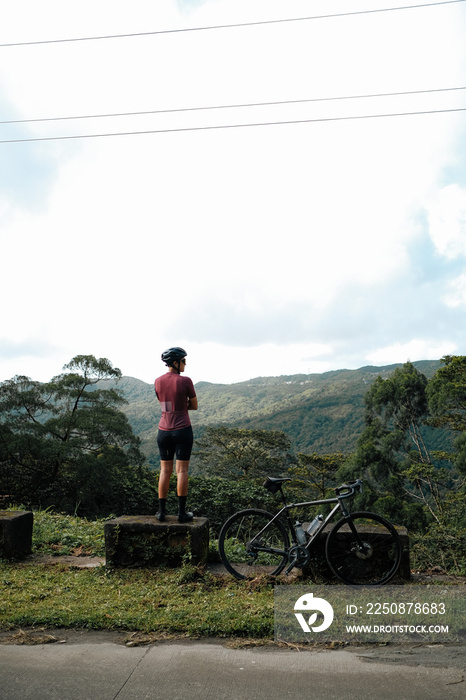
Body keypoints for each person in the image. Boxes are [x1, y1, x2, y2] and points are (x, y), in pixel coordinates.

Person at [154, 347, 198, 522]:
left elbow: (164, 404)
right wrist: (183, 405)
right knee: (182, 471)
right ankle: (181, 513)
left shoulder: (157, 381)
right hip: (182, 429)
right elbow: (194, 405)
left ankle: (161, 512)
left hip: (163, 430)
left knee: (165, 470)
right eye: (183, 361)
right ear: (175, 363)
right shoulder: (186, 381)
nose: (185, 364)